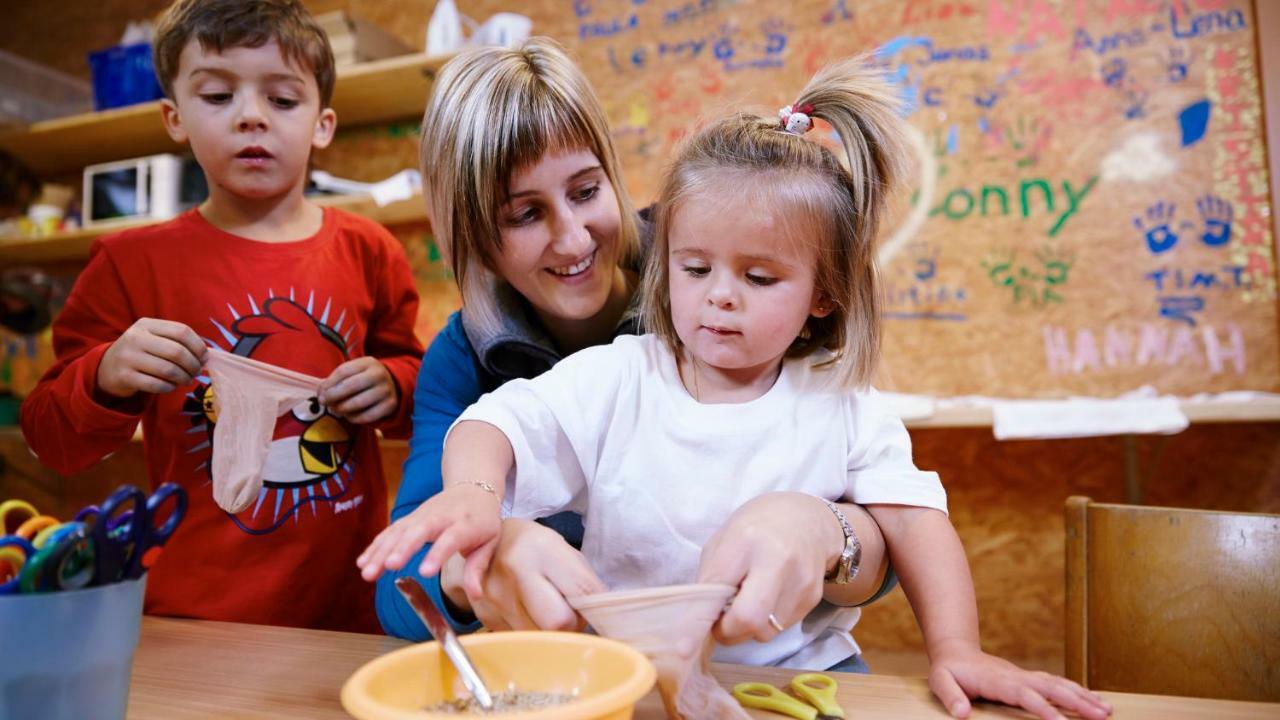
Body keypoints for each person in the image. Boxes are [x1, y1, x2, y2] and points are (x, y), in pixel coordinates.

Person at [359, 56, 1114, 720]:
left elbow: (914, 526)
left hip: (807, 682)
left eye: (758, 278)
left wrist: (952, 644)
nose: (721, 296)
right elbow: (491, 430)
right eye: (524, 215)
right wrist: (476, 512)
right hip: (633, 682)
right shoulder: (613, 376)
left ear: (824, 294)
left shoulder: (838, 399)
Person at [374, 37, 893, 645]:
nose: (572, 240)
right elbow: (398, 591)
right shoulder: (463, 358)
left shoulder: (718, 296)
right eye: (524, 215)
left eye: (587, 191)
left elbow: (886, 544)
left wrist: (825, 529)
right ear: (475, 237)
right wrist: (478, 560)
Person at [19, 0, 422, 633]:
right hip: (197, 613)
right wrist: (106, 374)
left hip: (353, 604)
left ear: (323, 124)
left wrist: (394, 384)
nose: (252, 117)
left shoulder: (369, 250)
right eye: (217, 95)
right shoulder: (129, 264)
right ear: (174, 118)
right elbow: (51, 439)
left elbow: (424, 393)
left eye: (284, 101)